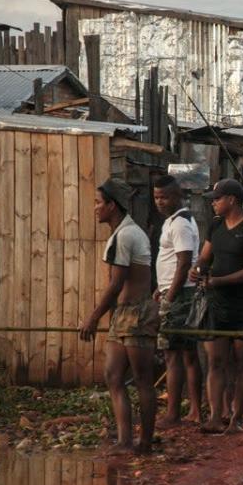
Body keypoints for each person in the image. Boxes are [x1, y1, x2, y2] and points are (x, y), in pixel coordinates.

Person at [80, 178, 158, 454]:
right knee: (113, 376)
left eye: (98, 203)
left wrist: (93, 317)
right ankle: (125, 440)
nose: (95, 208)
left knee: (142, 379)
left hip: (136, 313)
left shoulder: (126, 235)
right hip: (123, 314)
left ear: (112, 206)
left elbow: (116, 283)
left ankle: (145, 442)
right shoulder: (121, 233)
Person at [191, 179, 243, 434]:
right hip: (218, 303)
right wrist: (198, 270)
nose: (213, 203)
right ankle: (215, 416)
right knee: (215, 360)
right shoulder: (215, 226)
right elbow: (205, 256)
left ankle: (238, 416)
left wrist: (219, 280)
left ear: (232, 200)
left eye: (217, 198)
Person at [152, 175, 203, 427]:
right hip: (176, 292)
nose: (160, 202)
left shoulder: (180, 224)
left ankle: (174, 413)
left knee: (174, 355)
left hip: (181, 296)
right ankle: (193, 410)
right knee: (187, 353)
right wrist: (160, 289)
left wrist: (169, 296)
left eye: (165, 197)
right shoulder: (176, 221)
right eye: (157, 197)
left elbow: (184, 263)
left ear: (177, 196)